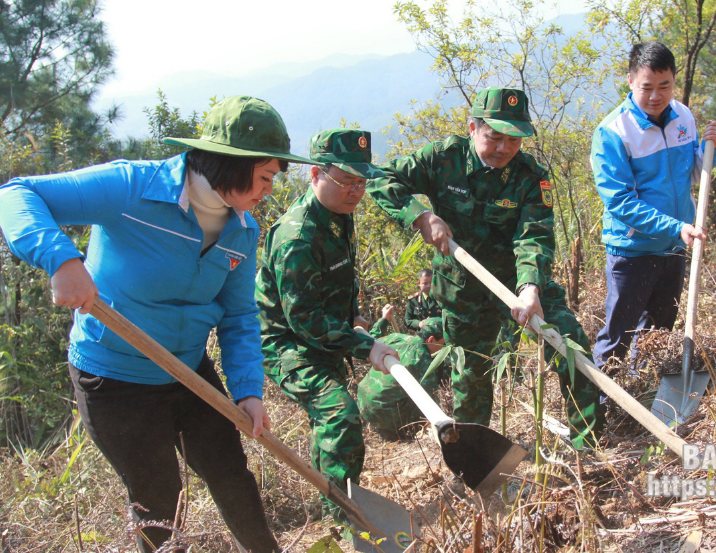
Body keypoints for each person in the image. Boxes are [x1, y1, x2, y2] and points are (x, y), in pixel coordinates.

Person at [0, 95, 310, 553]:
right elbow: (15, 194)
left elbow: (239, 316)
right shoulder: (133, 187)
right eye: (264, 178)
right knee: (159, 498)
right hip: (115, 378)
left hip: (186, 369)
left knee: (228, 470)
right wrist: (60, 258)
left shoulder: (243, 229)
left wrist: (248, 390)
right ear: (230, 164)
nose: (268, 191)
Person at [367, 87, 605, 450]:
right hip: (463, 286)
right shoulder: (443, 157)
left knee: (570, 345)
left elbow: (534, 236)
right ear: (473, 127)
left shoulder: (530, 176)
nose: (504, 149)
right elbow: (381, 178)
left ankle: (587, 446)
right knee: (471, 372)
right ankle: (475, 457)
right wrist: (421, 215)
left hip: (516, 284)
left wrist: (530, 287)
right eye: (494, 137)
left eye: (514, 140)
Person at [254, 129, 398, 524]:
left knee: (329, 426)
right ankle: (341, 522)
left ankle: (331, 508)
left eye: (361, 182)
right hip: (286, 343)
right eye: (346, 181)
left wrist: (354, 318)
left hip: (326, 334)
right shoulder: (297, 236)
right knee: (339, 417)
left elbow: (336, 284)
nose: (356, 191)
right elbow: (304, 320)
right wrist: (364, 346)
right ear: (316, 174)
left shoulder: (338, 215)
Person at [589, 41, 716, 374]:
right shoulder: (612, 132)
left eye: (664, 86)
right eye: (646, 87)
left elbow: (693, 174)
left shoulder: (683, 116)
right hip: (633, 250)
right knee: (619, 335)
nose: (656, 95)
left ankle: (643, 396)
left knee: (659, 332)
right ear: (630, 81)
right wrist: (675, 227)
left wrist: (711, 148)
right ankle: (603, 409)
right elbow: (620, 202)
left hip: (675, 246)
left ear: (673, 81)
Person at [359, 309, 448, 440]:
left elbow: (371, 337)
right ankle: (397, 431)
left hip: (363, 402)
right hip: (383, 412)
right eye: (443, 343)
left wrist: (384, 319)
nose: (445, 347)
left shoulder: (396, 337)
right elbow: (432, 398)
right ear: (431, 339)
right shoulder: (423, 360)